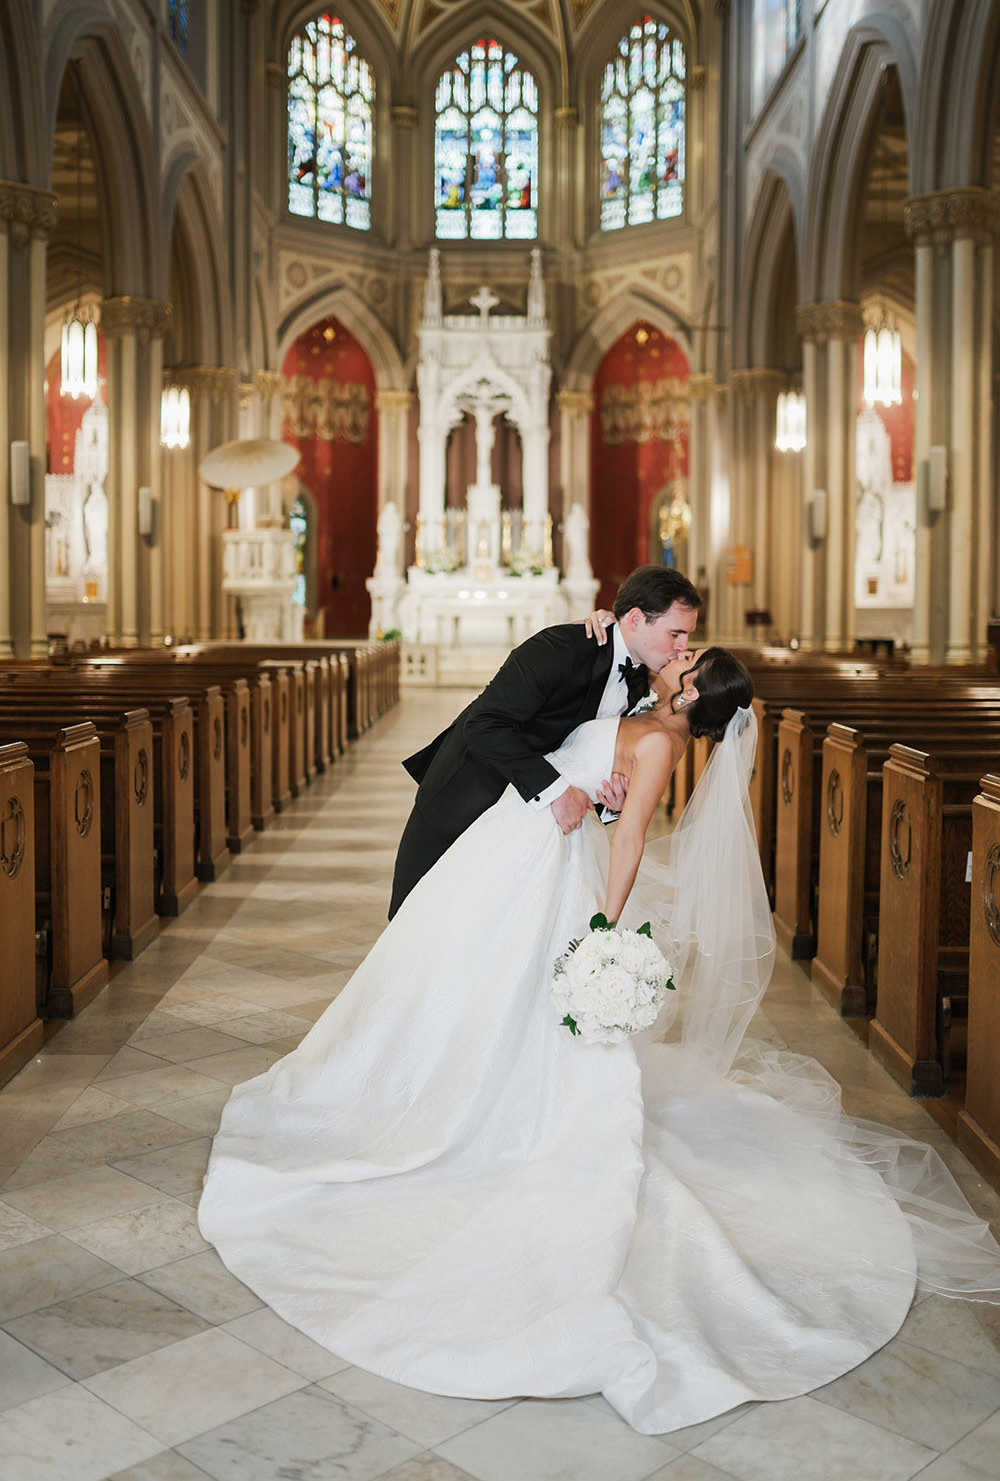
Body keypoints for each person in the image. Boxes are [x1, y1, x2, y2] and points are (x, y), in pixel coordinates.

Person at [198, 643, 1000, 1437]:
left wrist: (600, 933)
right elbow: (594, 772)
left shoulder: (661, 739)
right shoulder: (642, 712)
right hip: (512, 843)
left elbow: (629, 837)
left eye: (688, 661)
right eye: (680, 645)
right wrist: (602, 780)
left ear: (690, 697)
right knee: (451, 980)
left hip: (551, 873)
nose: (678, 657)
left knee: (507, 999)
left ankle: (484, 1110)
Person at [388, 564, 701, 918]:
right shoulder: (560, 648)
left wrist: (610, 801)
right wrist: (557, 790)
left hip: (526, 834)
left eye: (688, 636)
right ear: (634, 619)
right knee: (417, 926)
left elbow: (581, 753)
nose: (682, 646)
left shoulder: (640, 685)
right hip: (465, 803)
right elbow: (485, 725)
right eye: (675, 633)